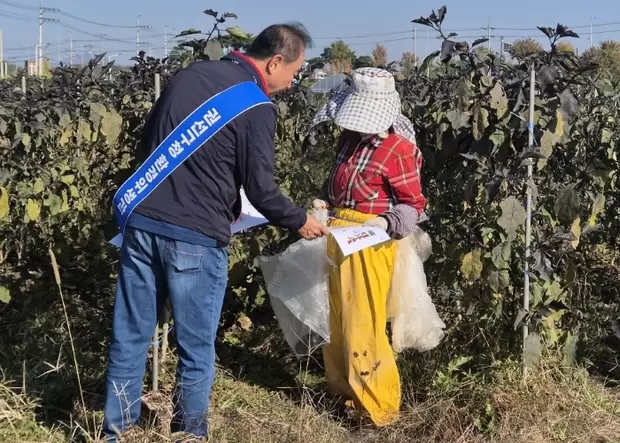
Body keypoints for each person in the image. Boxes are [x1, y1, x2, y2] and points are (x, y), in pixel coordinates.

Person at [102, 22, 329, 441]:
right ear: (275, 62)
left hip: (144, 223)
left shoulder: (188, 75)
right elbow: (261, 188)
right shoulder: (255, 105)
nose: (290, 83)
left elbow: (147, 147)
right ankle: (191, 435)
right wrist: (299, 219)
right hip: (195, 238)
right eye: (293, 73)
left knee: (130, 336)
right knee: (195, 347)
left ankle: (115, 433)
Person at [310, 67, 427, 426]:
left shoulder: (398, 149)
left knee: (364, 322)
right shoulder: (348, 140)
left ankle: (378, 410)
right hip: (337, 236)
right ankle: (345, 394)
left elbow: (414, 205)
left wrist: (386, 222)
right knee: (337, 319)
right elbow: (341, 187)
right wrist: (324, 206)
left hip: (370, 242)